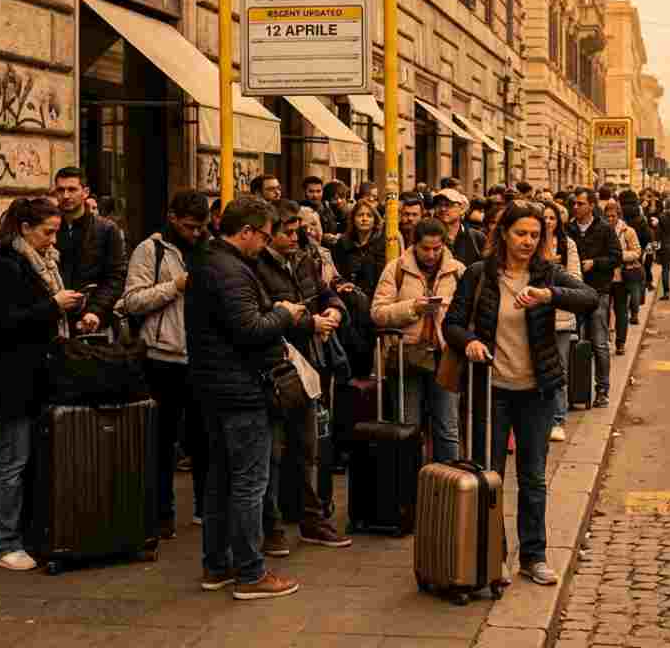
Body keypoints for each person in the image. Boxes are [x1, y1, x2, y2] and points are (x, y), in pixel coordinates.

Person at [442, 202, 597, 586]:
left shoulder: (547, 273)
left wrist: (549, 295)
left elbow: (589, 298)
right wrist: (470, 341)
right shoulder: (480, 274)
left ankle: (534, 556)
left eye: (534, 235)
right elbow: (452, 324)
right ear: (504, 234)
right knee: (490, 476)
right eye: (520, 233)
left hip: (536, 392)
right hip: (490, 391)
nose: (528, 241)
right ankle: (492, 557)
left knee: (533, 479)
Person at [185, 196, 307, 599]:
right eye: (265, 237)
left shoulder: (208, 261)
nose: (267, 245)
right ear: (247, 232)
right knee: (249, 483)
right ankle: (251, 573)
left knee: (221, 480)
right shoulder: (230, 270)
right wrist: (285, 313)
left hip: (214, 388)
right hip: (241, 390)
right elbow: (250, 329)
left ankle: (217, 566)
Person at [0, 198, 83, 571]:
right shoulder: (6, 266)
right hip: (14, 381)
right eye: (47, 232)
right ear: (24, 228)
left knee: (26, 459)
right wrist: (54, 305)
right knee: (12, 460)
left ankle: (22, 534)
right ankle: (4, 542)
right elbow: (5, 324)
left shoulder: (40, 263)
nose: (53, 240)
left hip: (38, 377)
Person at [255, 200, 351, 555]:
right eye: (288, 232)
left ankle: (312, 518)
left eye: (298, 230)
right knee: (273, 452)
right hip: (276, 366)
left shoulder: (304, 258)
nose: (296, 237)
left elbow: (325, 292)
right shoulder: (257, 267)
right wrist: (312, 323)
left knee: (308, 447)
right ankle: (272, 526)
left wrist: (334, 310)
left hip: (308, 364)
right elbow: (266, 315)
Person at [122, 190, 210, 540]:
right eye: (189, 227)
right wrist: (175, 286)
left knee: (205, 439)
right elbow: (132, 301)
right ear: (172, 218)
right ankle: (161, 513)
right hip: (162, 358)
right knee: (161, 442)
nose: (195, 233)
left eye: (200, 227)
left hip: (201, 357)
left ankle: (207, 508)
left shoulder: (207, 248)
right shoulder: (149, 250)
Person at [370, 218, 464, 462]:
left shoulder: (457, 271)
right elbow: (378, 312)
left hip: (445, 355)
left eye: (437, 248)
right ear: (415, 245)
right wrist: (413, 307)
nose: (431, 255)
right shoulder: (396, 269)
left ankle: (447, 479)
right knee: (407, 426)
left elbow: (467, 313)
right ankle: (407, 480)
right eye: (425, 249)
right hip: (407, 356)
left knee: (448, 427)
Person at [52, 166, 127, 334]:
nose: (66, 196)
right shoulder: (48, 228)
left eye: (72, 189)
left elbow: (116, 276)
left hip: (92, 321)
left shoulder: (106, 229)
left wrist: (95, 310)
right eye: (60, 190)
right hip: (54, 319)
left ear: (85, 192)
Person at [566, 187, 621, 408]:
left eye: (580, 203)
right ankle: (575, 391)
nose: (576, 207)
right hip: (573, 294)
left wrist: (595, 263)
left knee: (599, 343)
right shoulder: (568, 229)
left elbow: (616, 257)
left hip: (598, 292)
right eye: (574, 204)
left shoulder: (604, 229)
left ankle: (602, 390)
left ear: (591, 205)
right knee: (573, 342)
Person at [541, 202, 580, 443]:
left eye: (551, 218)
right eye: (543, 218)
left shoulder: (568, 245)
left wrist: (552, 268)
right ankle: (540, 419)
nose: (547, 222)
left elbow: (575, 279)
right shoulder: (531, 243)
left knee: (559, 368)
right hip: (535, 316)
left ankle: (558, 419)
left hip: (561, 317)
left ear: (558, 222)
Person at [604, 201, 642, 357]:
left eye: (613, 216)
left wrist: (619, 256)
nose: (610, 219)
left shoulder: (628, 231)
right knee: (604, 311)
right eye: (607, 216)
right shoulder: (602, 230)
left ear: (618, 216)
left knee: (620, 311)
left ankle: (620, 343)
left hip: (621, 277)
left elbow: (637, 252)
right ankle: (605, 339)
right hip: (604, 278)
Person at [332, 198, 382, 297]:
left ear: (375, 220)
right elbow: (336, 273)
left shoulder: (382, 244)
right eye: (360, 215)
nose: (364, 219)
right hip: (348, 294)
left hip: (375, 295)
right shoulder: (342, 243)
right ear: (353, 219)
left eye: (369, 215)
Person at [434, 187, 485, 267]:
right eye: (439, 205)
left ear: (462, 209)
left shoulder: (476, 237)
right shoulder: (430, 235)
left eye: (448, 205)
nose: (443, 209)